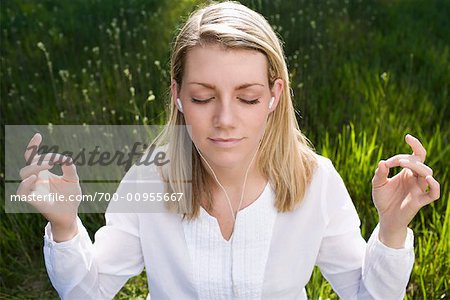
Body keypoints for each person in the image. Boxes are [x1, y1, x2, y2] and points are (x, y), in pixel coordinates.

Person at [17, 1, 440, 299]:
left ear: (275, 95)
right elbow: (86, 292)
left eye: (248, 98)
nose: (225, 119)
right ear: (178, 96)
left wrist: (391, 229)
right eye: (202, 97)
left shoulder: (315, 181)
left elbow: (369, 295)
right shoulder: (150, 179)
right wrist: (66, 227)